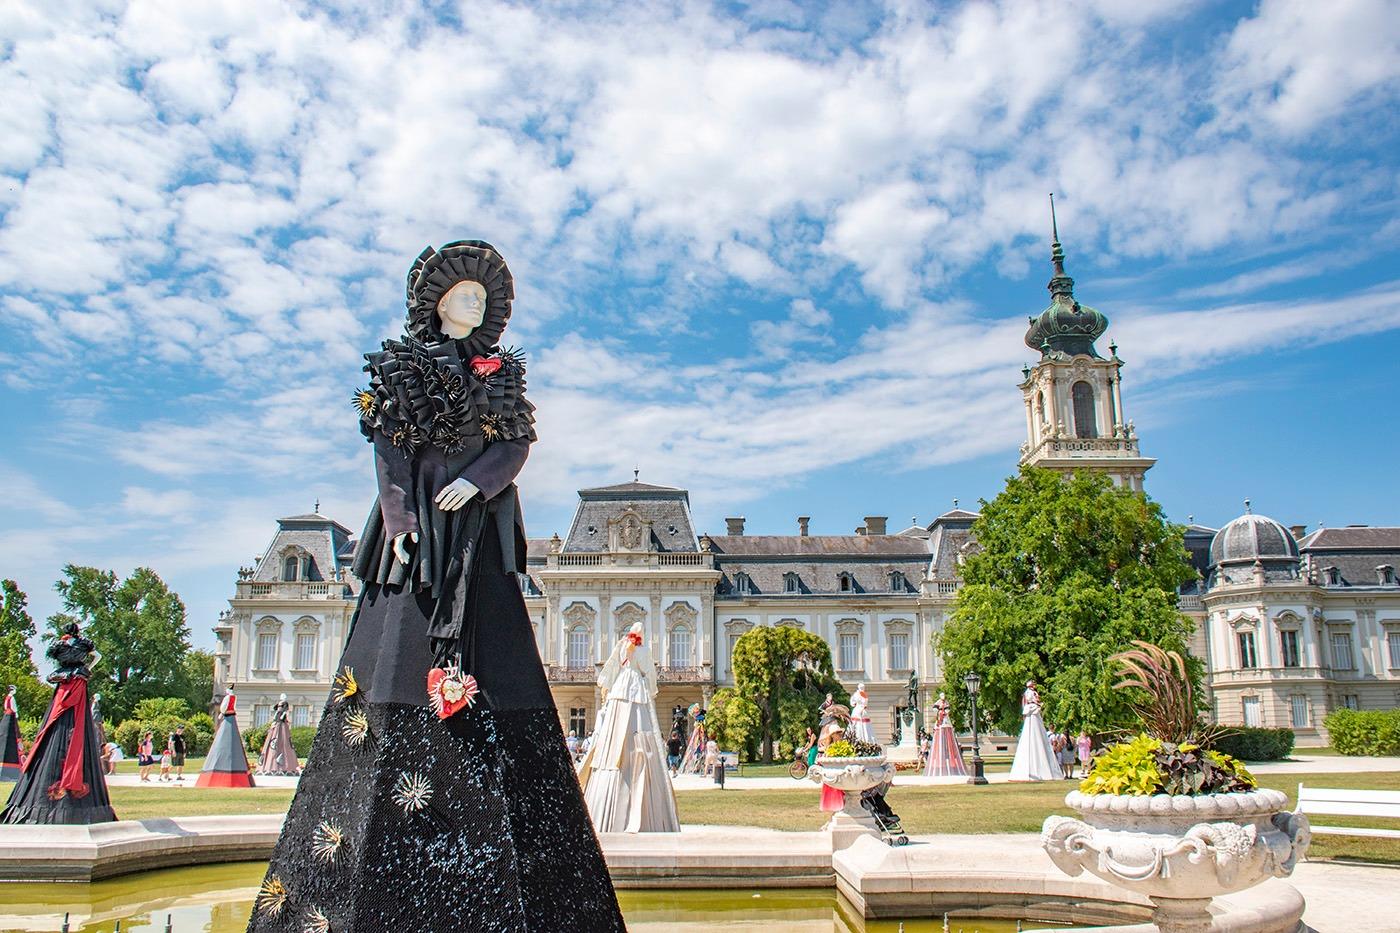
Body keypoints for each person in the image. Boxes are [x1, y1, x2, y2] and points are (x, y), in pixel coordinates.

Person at [249, 241, 623, 931]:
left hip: (478, 529)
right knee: (396, 653)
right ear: (438, 302)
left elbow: (514, 447)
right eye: (464, 295)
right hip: (420, 523)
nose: (474, 305)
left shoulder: (503, 375)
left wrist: (475, 481)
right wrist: (399, 520)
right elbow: (389, 451)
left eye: (483, 297)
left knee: (498, 651)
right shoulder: (402, 367)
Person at [0, 622, 115, 825]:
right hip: (78, 685)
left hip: (64, 687)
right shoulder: (82, 645)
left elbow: (56, 666)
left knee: (54, 724)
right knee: (77, 728)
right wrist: (86, 668)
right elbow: (98, 657)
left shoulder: (59, 646)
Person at [577, 622, 680, 833]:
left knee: (613, 738)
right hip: (636, 689)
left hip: (620, 688)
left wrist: (606, 686)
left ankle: (603, 805)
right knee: (640, 728)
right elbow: (649, 673)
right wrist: (651, 689)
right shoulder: (642, 651)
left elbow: (612, 666)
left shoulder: (621, 646)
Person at [198, 685, 254, 787]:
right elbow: (234, 707)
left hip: (227, 717)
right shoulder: (234, 697)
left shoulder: (227, 697)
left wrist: (222, 714)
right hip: (232, 716)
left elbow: (223, 707)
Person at [1008, 680, 1059, 782]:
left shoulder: (1029, 693)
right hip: (1032, 710)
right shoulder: (1031, 693)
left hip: (1033, 710)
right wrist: (1037, 703)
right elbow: (1032, 700)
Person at [923, 691, 967, 778]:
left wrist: (945, 711)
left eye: (944, 696)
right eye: (942, 696)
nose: (943, 697)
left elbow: (947, 709)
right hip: (940, 718)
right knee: (939, 724)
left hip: (945, 719)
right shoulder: (938, 702)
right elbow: (935, 708)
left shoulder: (946, 703)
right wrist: (939, 710)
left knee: (945, 724)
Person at [256, 694, 300, 776]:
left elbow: (285, 711)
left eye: (284, 697)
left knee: (283, 739)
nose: (283, 698)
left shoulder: (285, 704)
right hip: (277, 721)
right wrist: (276, 717)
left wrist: (282, 716)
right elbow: (276, 710)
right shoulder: (279, 704)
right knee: (274, 737)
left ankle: (283, 766)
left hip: (281, 721)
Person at [1, 685, 22, 782]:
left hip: (6, 718)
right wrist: (16, 716)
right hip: (11, 718)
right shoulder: (12, 698)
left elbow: (6, 707)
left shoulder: (7, 698)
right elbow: (14, 709)